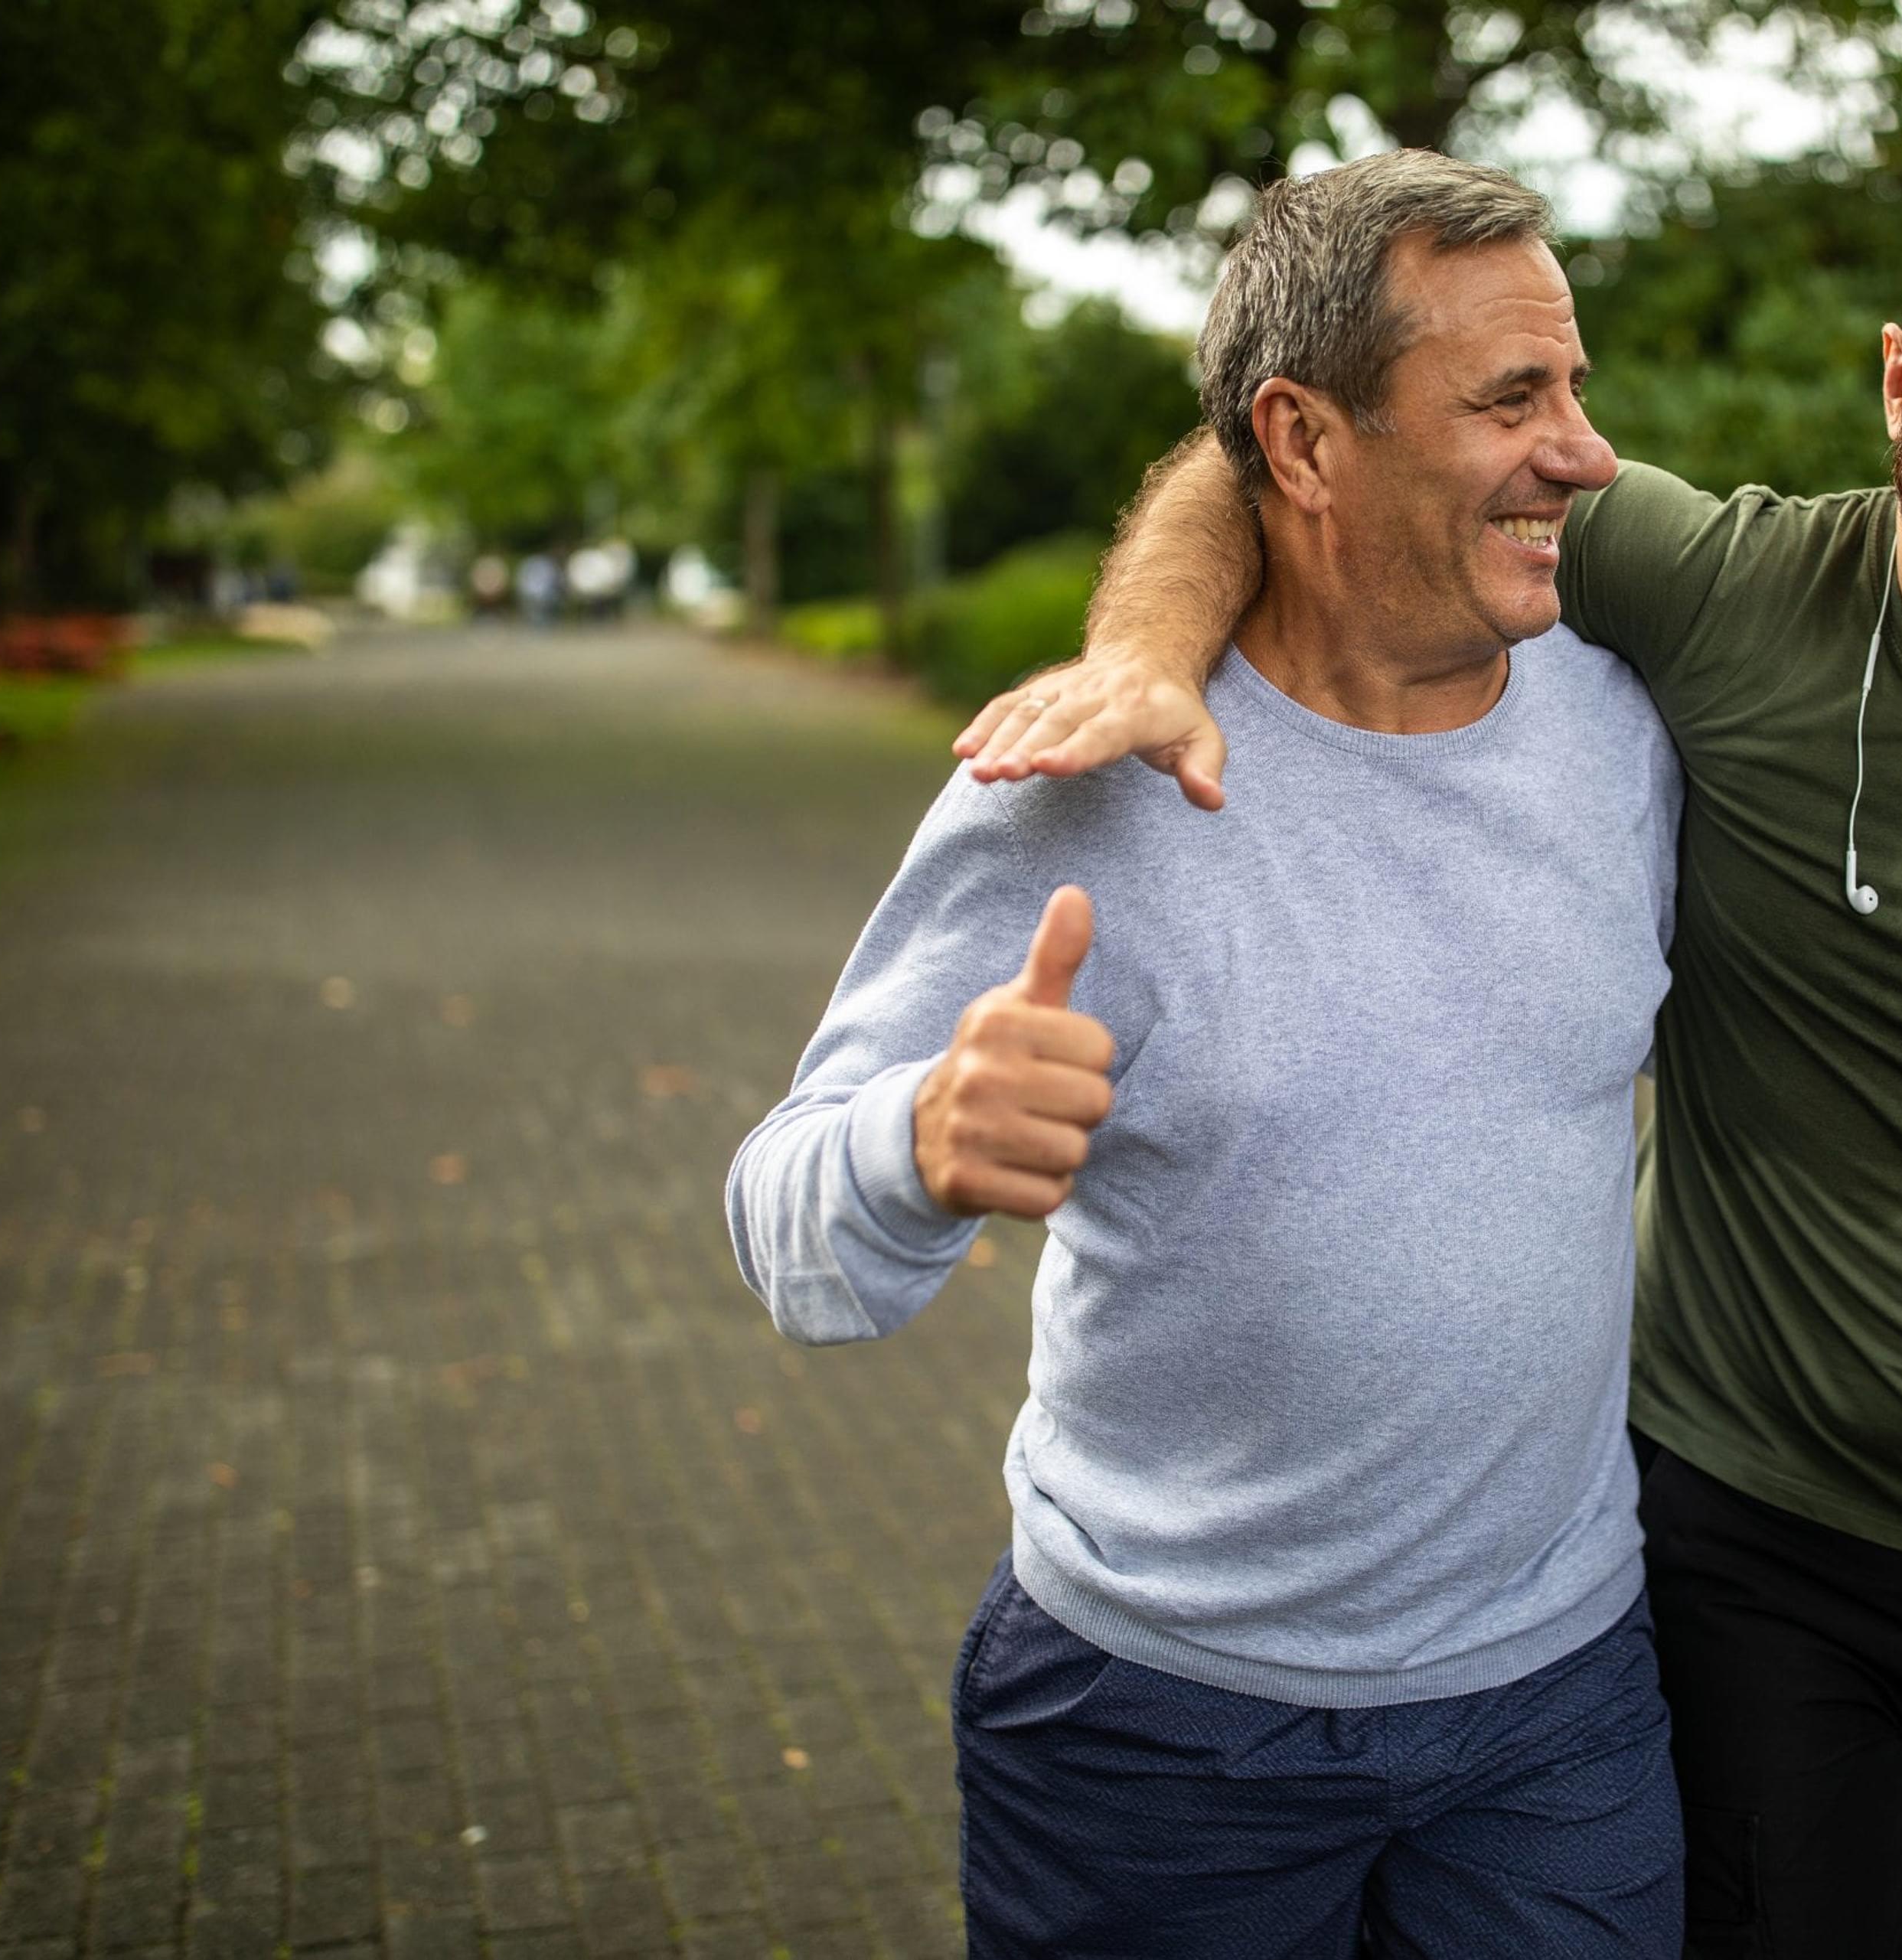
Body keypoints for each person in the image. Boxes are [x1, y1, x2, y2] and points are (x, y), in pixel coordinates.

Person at [951, 127, 1902, 1958]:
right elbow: (1295, 454)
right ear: (1901, 377)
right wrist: (1152, 661)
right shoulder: (1726, 594)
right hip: (1733, 1535)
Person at [726, 150, 1688, 1957]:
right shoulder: (1086, 789)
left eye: (1574, 385)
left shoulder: (1626, 729)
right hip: (1156, 1734)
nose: (1586, 452)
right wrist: (917, 1146)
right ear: (1306, 445)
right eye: (1510, 400)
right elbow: (789, 1238)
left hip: (1558, 1703)